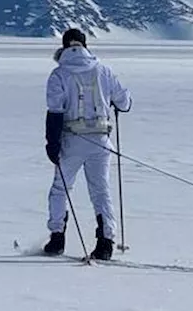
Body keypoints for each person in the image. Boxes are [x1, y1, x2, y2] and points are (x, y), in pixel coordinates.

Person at [43, 28, 131, 261]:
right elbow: (125, 102)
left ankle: (57, 238)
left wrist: (51, 144)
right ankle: (105, 241)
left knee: (61, 189)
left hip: (71, 139)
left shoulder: (59, 74)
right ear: (85, 45)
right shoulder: (104, 70)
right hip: (101, 139)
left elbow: (54, 111)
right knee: (101, 191)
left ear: (63, 47)